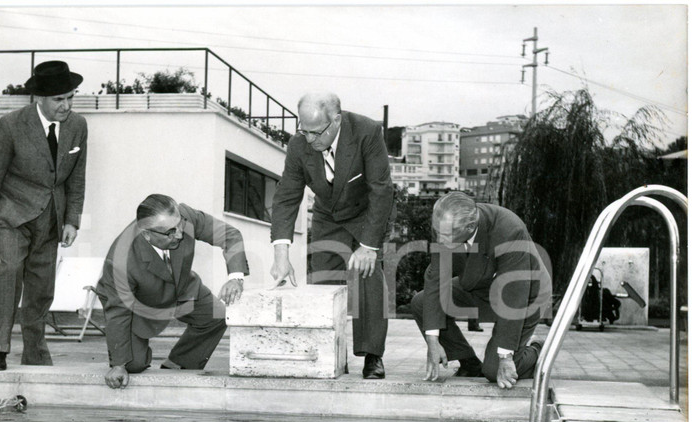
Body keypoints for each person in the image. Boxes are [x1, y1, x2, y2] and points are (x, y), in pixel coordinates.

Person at [270, 92, 394, 380]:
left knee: (367, 275)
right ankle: (332, 352)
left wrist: (368, 246)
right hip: (328, 214)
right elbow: (286, 197)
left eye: (316, 133)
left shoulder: (367, 131)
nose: (310, 140)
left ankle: (372, 355)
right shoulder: (299, 144)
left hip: (367, 212)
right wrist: (281, 255)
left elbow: (381, 189)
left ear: (336, 120)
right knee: (323, 280)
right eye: (304, 130)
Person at [0, 60, 87, 371]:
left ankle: (35, 353)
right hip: (12, 217)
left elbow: (77, 179)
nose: (66, 106)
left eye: (70, 97)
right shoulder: (11, 125)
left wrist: (71, 220)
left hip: (50, 219)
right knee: (9, 275)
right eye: (58, 100)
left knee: (42, 287)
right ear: (39, 98)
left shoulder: (78, 126)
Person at [98, 194, 249, 390]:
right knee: (132, 365)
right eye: (170, 232)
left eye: (180, 226)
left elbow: (230, 235)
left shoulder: (185, 217)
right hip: (138, 303)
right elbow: (118, 312)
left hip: (182, 285)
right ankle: (132, 359)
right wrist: (118, 365)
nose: (179, 235)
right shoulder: (120, 261)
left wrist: (235, 277)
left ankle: (177, 365)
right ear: (146, 234)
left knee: (217, 316)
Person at [410, 192, 551, 389]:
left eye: (446, 236)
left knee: (494, 371)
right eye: (437, 232)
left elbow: (514, 295)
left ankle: (538, 350)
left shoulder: (509, 229)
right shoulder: (444, 224)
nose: (439, 240)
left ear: (469, 227)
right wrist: (432, 340)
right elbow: (436, 279)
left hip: (524, 296)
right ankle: (468, 362)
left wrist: (505, 356)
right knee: (422, 302)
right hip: (478, 286)